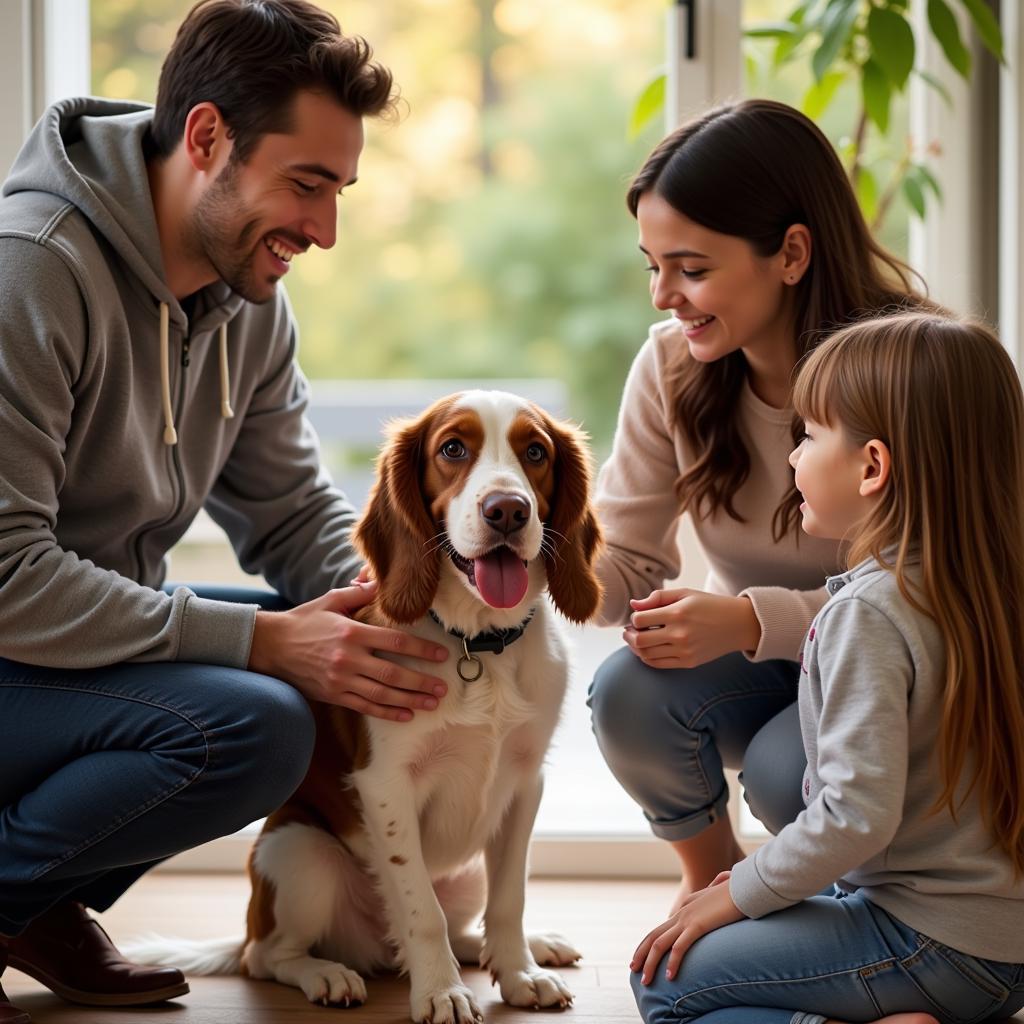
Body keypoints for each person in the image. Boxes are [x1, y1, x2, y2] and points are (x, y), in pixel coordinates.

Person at [0, 2, 453, 1021]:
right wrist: (263, 643)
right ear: (206, 139)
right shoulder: (32, 267)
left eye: (338, 191)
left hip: (71, 643)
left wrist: (407, 612)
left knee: (322, 653)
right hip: (8, 639)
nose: (325, 231)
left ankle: (28, 900)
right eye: (306, 185)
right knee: (257, 719)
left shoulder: (249, 301)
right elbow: (6, 576)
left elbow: (292, 514)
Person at [628, 310, 1024, 1024]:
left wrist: (736, 891)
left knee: (668, 984)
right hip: (1003, 942)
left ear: (872, 466)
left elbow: (852, 819)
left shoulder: (870, 613)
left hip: (933, 940)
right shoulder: (996, 585)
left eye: (807, 436)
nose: (793, 458)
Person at [587, 98, 933, 912]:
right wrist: (516, 554)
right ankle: (712, 885)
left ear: (791, 253)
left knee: (790, 771)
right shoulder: (673, 365)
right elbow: (627, 563)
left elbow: (937, 588)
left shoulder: (912, 368)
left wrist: (749, 620)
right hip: (774, 668)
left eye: (693, 268)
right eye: (652, 264)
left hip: (901, 676)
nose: (662, 295)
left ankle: (876, 915)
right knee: (630, 689)